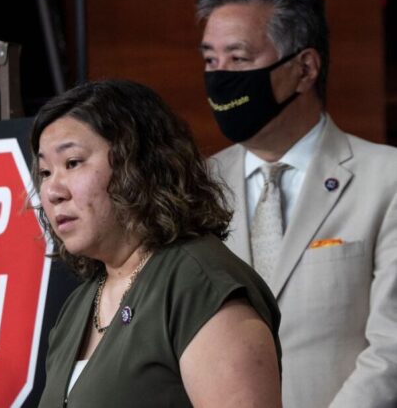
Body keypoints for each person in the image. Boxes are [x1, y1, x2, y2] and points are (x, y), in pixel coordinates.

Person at [197, 0, 397, 407]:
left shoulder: (387, 179)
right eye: (211, 60)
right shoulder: (197, 188)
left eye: (239, 58)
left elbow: (392, 350)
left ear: (305, 68)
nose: (220, 76)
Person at [34, 80, 282, 407]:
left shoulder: (197, 286)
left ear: (137, 163)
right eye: (45, 171)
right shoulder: (78, 306)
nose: (53, 190)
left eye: (72, 163)